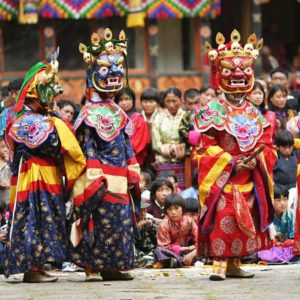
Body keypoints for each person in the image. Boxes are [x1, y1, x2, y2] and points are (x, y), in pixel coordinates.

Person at [194, 30, 277, 280]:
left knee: (244, 222)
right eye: (230, 71)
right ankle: (219, 264)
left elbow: (266, 143)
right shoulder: (212, 110)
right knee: (223, 216)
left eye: (245, 71)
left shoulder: (254, 112)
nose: (239, 76)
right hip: (224, 176)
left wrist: (256, 159)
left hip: (249, 174)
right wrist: (230, 162)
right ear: (219, 73)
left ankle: (235, 264)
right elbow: (205, 145)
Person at [4, 53, 86, 282]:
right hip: (36, 177)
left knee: (39, 219)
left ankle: (37, 267)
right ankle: (32, 269)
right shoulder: (34, 120)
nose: (54, 96)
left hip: (37, 176)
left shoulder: (31, 119)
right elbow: (52, 146)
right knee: (35, 219)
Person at [69, 29, 141, 281]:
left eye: (118, 68)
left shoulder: (117, 111)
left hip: (120, 176)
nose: (114, 74)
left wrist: (133, 165)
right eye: (105, 69)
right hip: (98, 176)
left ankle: (114, 266)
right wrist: (93, 170)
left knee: (120, 223)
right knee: (97, 221)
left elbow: (125, 142)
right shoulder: (88, 113)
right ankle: (91, 267)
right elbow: (87, 144)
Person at [152, 87, 186, 189]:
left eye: (174, 101)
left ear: (181, 100)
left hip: (182, 161)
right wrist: (168, 150)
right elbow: (155, 142)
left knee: (182, 192)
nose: (171, 105)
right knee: (164, 190)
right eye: (168, 101)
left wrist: (176, 150)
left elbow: (190, 141)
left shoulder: (186, 117)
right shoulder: (158, 117)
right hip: (162, 160)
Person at [153, 193, 198, 268]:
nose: (173, 212)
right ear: (166, 211)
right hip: (172, 253)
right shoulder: (164, 225)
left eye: (176, 208)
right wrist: (187, 248)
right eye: (170, 209)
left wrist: (192, 253)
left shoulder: (190, 221)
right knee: (159, 250)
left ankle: (177, 262)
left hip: (190, 252)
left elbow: (199, 240)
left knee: (205, 249)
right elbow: (165, 246)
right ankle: (181, 261)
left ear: (182, 209)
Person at [114, 88, 150, 168]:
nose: (124, 103)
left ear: (133, 101)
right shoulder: (113, 119)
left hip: (134, 162)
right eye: (120, 100)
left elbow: (138, 144)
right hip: (115, 162)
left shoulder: (139, 119)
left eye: (127, 99)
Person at [258, 186, 295, 263]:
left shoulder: (291, 214)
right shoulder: (266, 215)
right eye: (278, 200)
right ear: (270, 201)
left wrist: (285, 243)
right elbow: (263, 236)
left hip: (287, 245)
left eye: (285, 199)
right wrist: (275, 242)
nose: (283, 203)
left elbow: (294, 236)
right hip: (271, 246)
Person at [135, 197, 157, 268]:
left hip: (151, 250)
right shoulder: (130, 223)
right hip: (138, 251)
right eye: (141, 211)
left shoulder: (150, 220)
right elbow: (129, 240)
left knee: (160, 251)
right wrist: (136, 229)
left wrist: (152, 227)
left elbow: (158, 238)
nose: (143, 213)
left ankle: (148, 261)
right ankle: (145, 261)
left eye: (145, 210)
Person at [0, 136, 10, 206]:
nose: (6, 150)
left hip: (12, 201)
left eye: (8, 147)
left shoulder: (13, 163)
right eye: (3, 147)